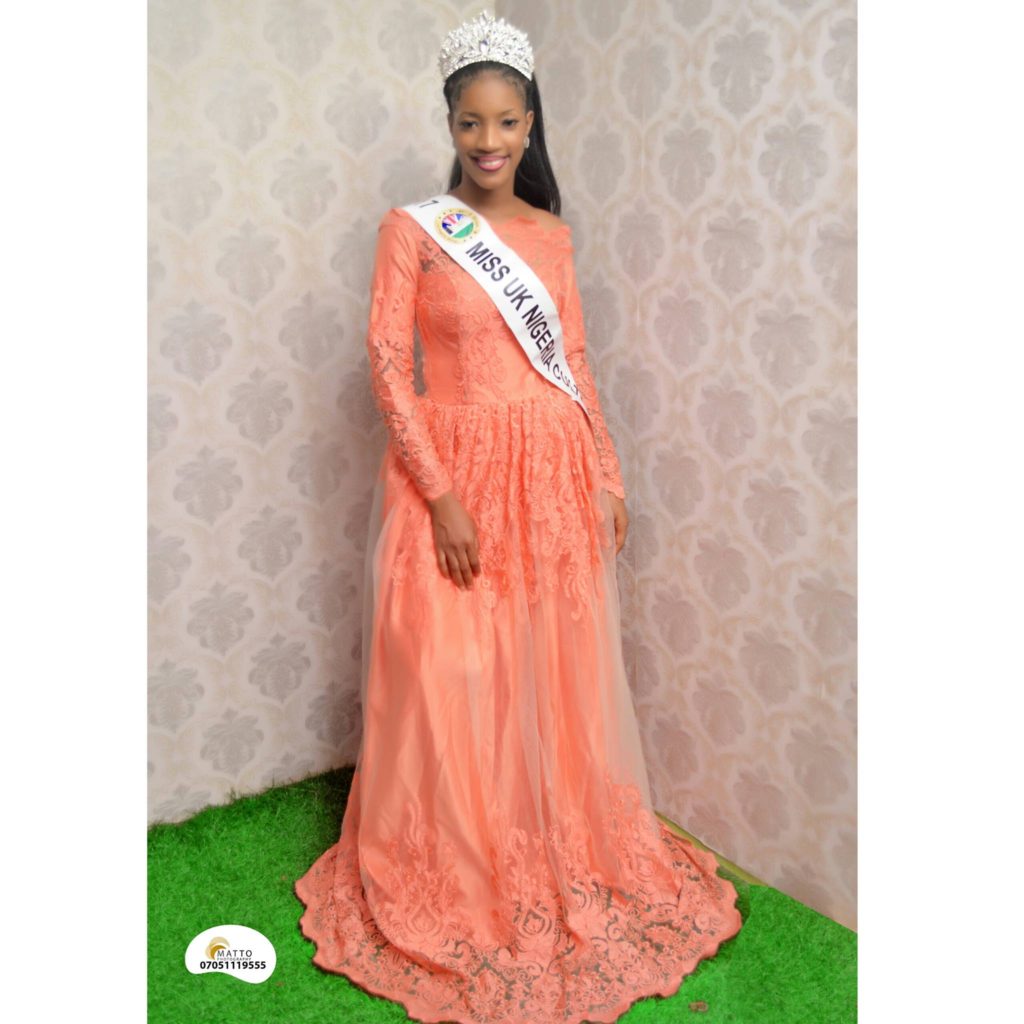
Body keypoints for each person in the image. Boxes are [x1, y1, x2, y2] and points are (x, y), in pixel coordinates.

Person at [295, 11, 743, 1023]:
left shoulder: (552, 235)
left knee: (547, 665)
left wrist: (607, 475)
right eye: (470, 123)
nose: (488, 141)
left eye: (506, 122)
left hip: (549, 467)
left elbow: (573, 358)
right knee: (449, 670)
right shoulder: (413, 229)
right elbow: (385, 364)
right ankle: (458, 860)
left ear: (531, 123)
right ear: (449, 124)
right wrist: (441, 496)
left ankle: (548, 846)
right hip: (452, 472)